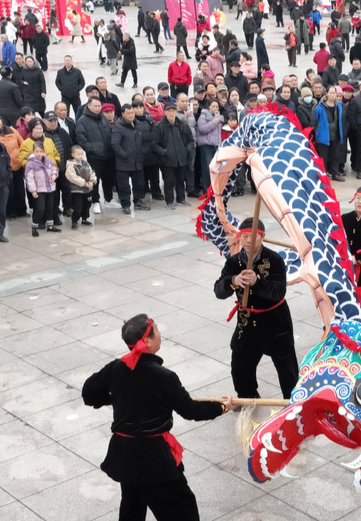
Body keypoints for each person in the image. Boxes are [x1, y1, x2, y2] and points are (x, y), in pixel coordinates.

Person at [82, 314, 235, 521]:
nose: (161, 334)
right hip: (153, 459)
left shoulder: (116, 368)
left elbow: (88, 393)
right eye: (157, 330)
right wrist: (222, 407)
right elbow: (190, 410)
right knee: (183, 511)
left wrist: (113, 399)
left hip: (125, 455)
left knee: (132, 507)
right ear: (147, 341)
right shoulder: (164, 377)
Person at [214, 217, 300, 399]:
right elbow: (218, 291)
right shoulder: (234, 262)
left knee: (287, 368)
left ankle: (292, 402)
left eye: (253, 236)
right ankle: (248, 398)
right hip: (247, 321)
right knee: (240, 365)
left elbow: (279, 291)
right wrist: (232, 281)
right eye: (244, 236)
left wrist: (257, 282)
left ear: (263, 237)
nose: (247, 240)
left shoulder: (274, 259)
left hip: (275, 321)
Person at [24, 141, 60, 237]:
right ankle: (34, 227)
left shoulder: (48, 160)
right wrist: (33, 190)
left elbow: (54, 169)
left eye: (40, 151)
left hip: (50, 188)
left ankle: (50, 225)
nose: (39, 153)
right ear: (33, 151)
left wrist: (53, 175)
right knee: (40, 208)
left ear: (43, 151)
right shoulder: (31, 164)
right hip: (39, 189)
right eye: (36, 151)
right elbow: (29, 178)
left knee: (50, 207)